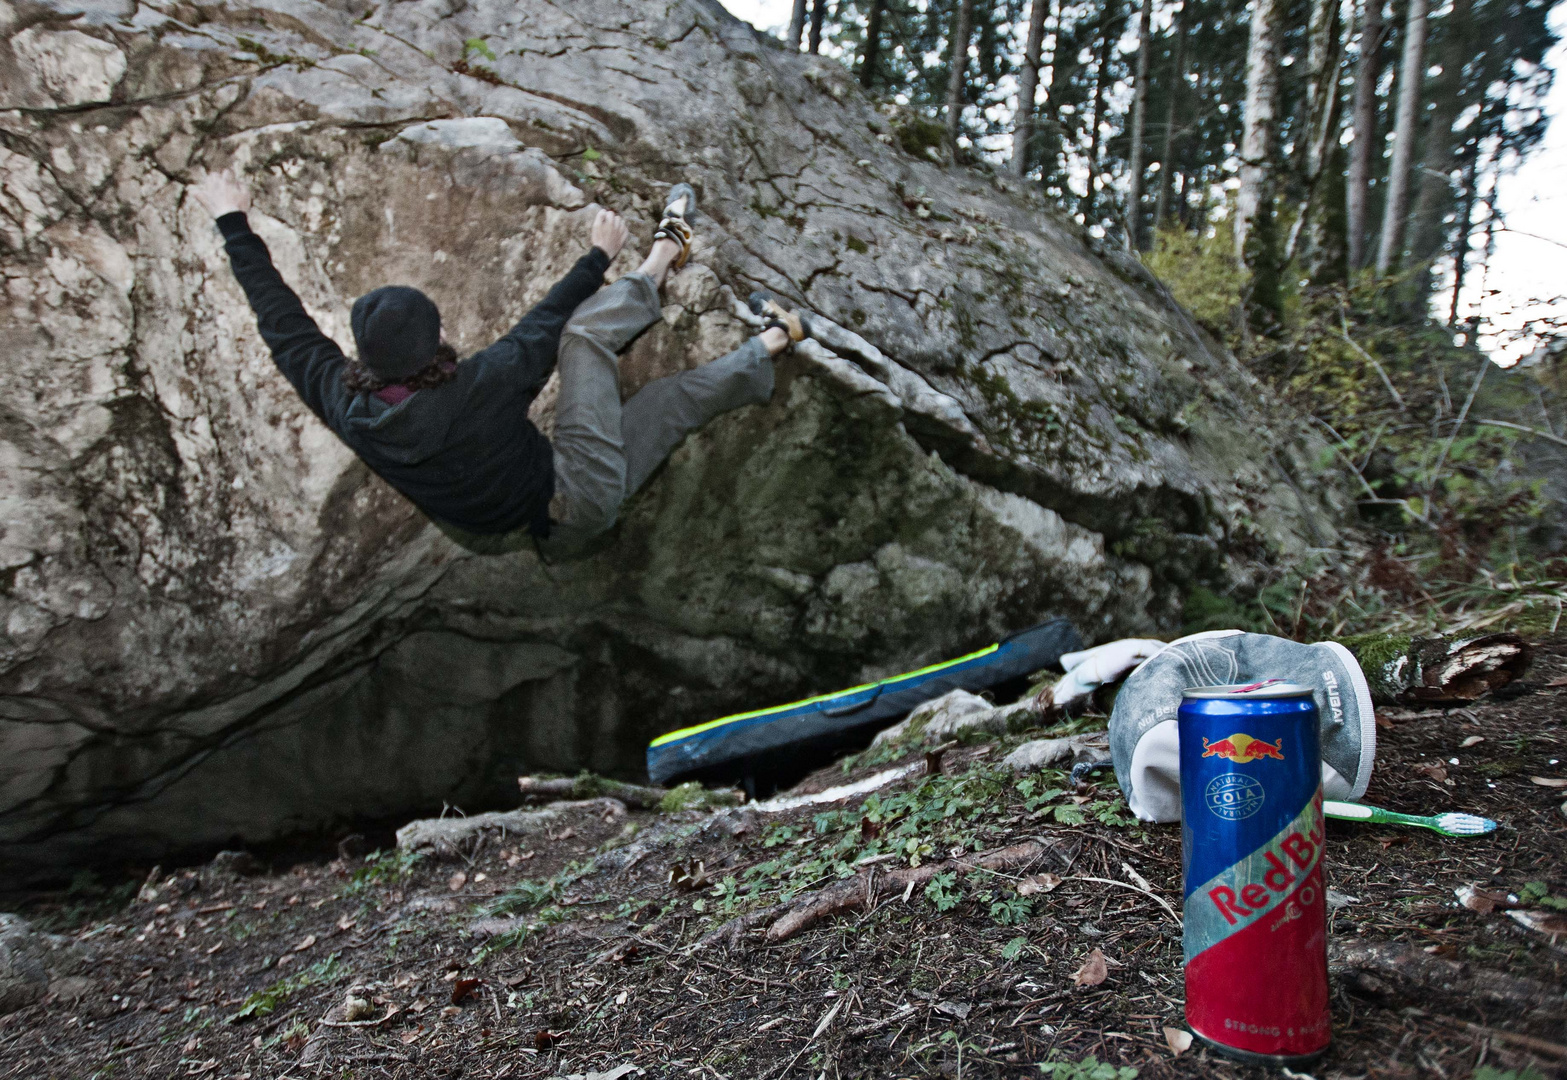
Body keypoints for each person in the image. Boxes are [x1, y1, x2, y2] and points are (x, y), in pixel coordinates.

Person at [189, 169, 813, 557]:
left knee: (666, 403)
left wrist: (230, 222)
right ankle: (663, 255)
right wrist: (599, 255)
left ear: (364, 357)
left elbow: (286, 330)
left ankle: (774, 342)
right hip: (574, 487)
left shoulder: (348, 407)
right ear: (435, 346)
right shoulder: (475, 387)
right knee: (585, 339)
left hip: (556, 527)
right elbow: (546, 327)